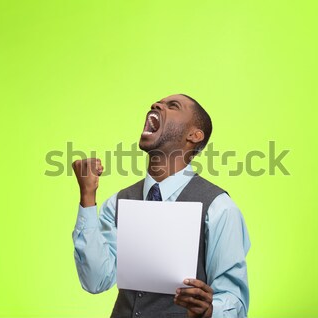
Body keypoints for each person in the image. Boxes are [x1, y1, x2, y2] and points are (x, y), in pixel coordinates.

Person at [72, 94, 251, 317]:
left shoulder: (219, 209)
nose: (156, 105)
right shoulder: (118, 203)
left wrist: (210, 312)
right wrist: (87, 197)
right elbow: (95, 280)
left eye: (172, 105)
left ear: (194, 135)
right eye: (158, 103)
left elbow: (235, 300)